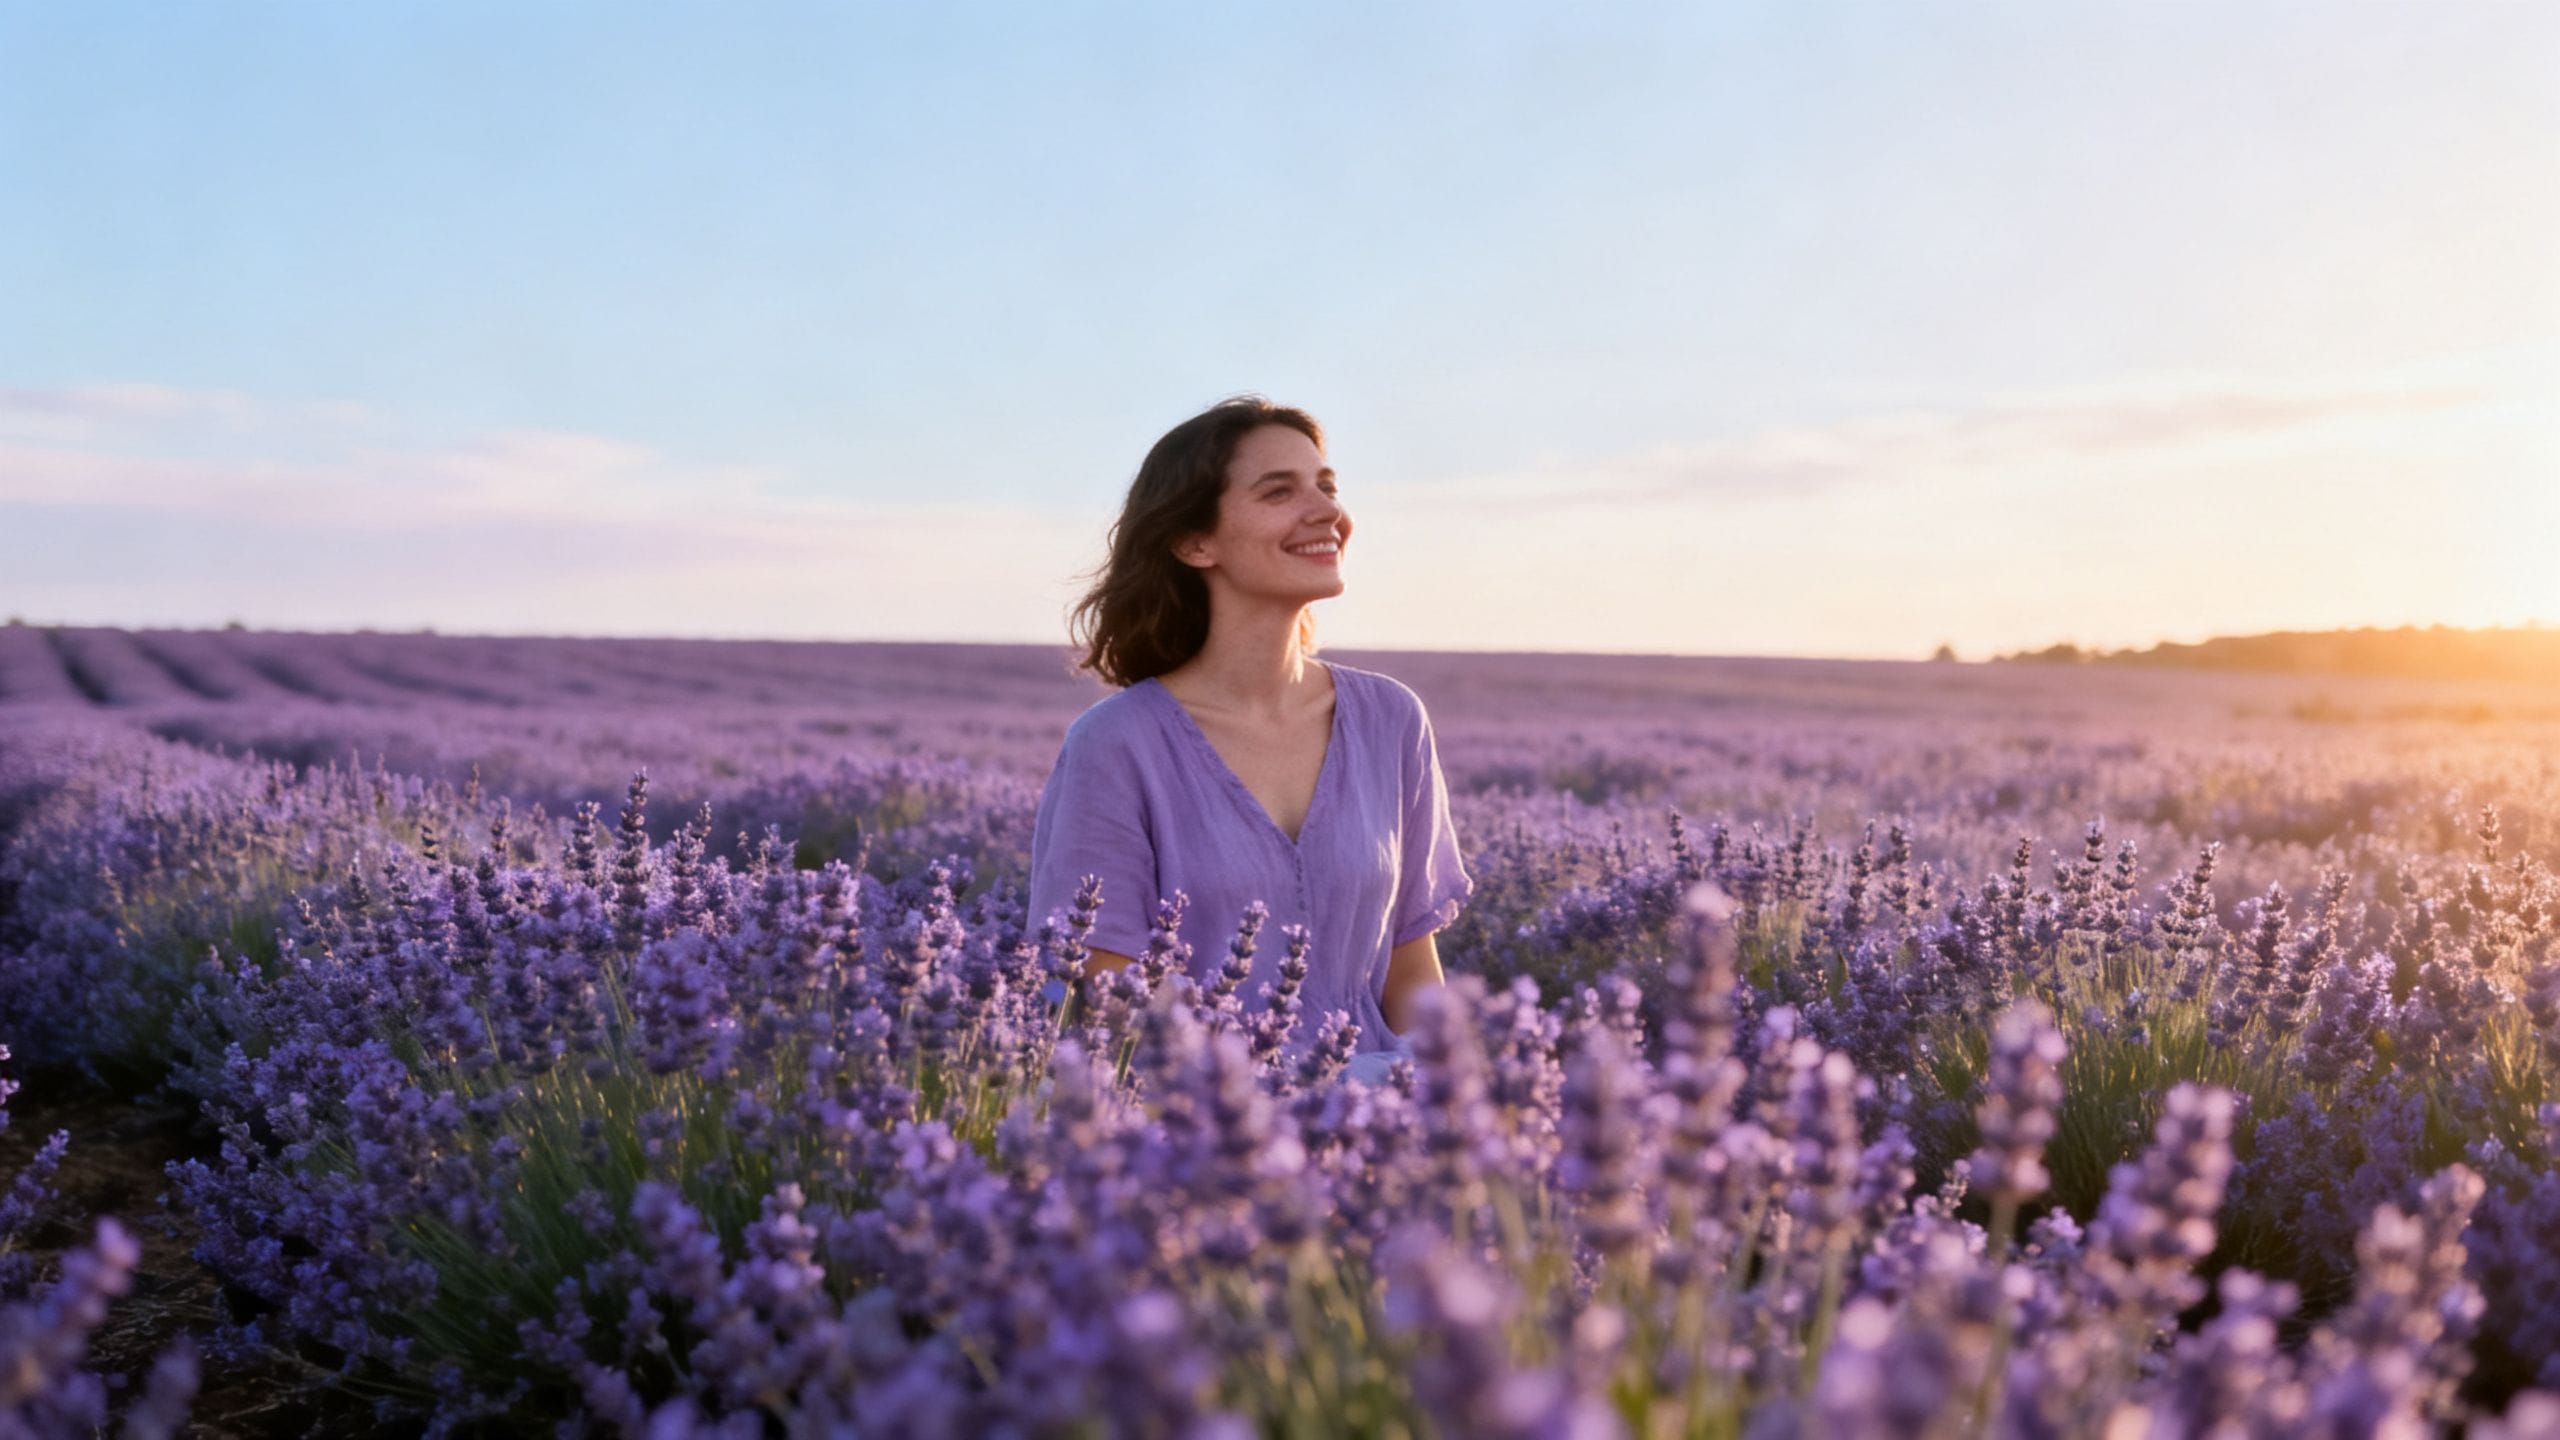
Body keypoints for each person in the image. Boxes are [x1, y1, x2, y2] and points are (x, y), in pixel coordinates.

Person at [1025, 395, 1472, 1073]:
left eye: (1327, 486)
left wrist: (1451, 1107)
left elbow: (1412, 972)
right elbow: (1106, 1001)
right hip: (1201, 1134)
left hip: (1382, 1118)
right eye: (1278, 492)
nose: (1327, 512)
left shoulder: (1391, 720)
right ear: (1194, 542)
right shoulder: (1117, 745)